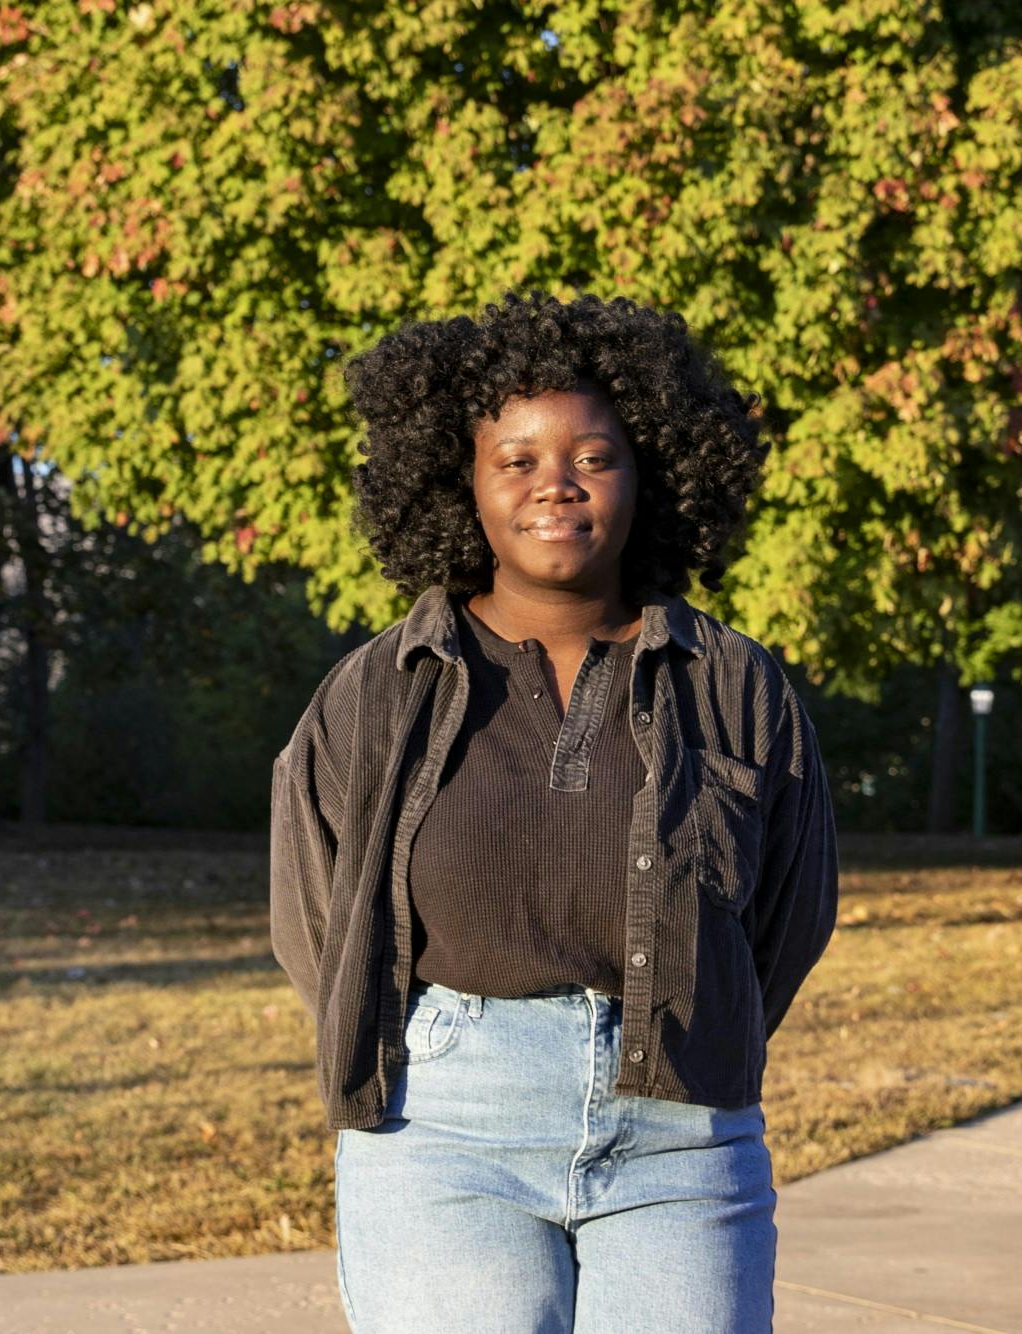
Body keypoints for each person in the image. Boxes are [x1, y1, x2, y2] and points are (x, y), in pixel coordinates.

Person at [269, 288, 839, 1333]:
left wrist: (685, 1020)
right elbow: (317, 912)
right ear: (464, 485)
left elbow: (786, 918)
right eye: (516, 458)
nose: (555, 484)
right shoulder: (380, 686)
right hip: (442, 1125)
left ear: (649, 472)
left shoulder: (735, 683)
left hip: (682, 1130)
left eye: (592, 454)